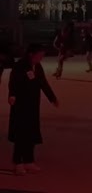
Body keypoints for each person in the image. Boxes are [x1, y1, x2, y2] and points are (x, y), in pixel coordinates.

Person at [8, 43, 59, 175]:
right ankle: (17, 162)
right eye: (39, 55)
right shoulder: (20, 66)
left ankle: (29, 160)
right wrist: (12, 95)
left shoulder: (37, 66)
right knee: (21, 134)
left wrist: (52, 97)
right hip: (20, 106)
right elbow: (13, 82)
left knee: (31, 133)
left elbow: (43, 83)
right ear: (31, 54)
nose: (41, 58)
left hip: (33, 106)